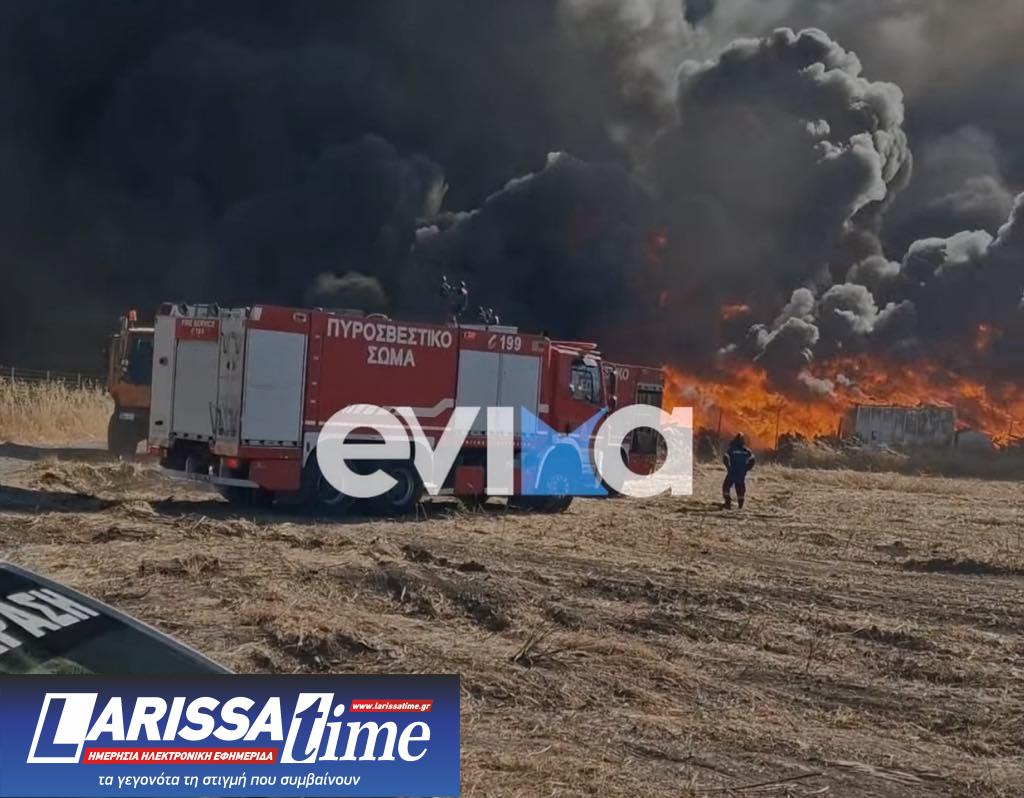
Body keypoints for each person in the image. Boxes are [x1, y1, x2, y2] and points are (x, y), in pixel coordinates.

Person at [722, 433, 755, 509]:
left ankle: (728, 503)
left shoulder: (731, 449)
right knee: (740, 489)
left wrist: (728, 467)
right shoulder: (747, 451)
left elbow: (725, 457)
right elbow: (752, 460)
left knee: (726, 487)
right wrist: (746, 468)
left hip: (732, 472)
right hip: (741, 474)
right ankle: (740, 507)